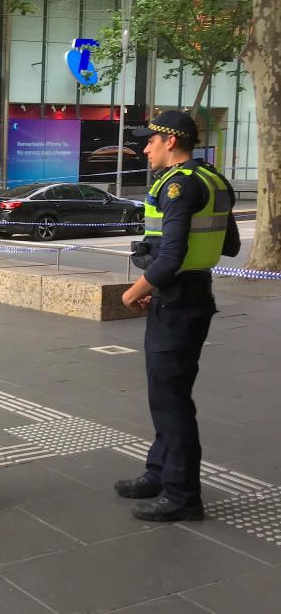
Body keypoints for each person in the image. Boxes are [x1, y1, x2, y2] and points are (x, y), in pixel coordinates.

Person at [116, 111, 238, 522]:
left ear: (171, 141)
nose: (145, 147)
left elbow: (171, 256)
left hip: (178, 302)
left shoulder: (180, 186)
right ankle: (159, 472)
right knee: (166, 394)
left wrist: (134, 293)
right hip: (187, 297)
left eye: (150, 140)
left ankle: (183, 496)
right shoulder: (213, 180)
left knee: (171, 402)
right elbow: (231, 244)